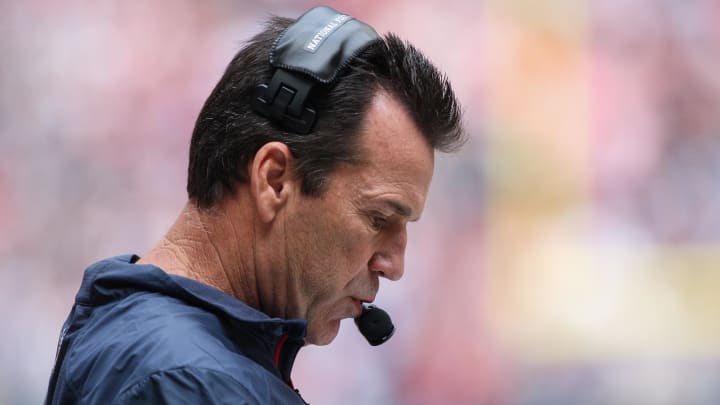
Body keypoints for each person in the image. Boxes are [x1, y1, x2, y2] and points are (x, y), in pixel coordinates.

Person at [45, 6, 464, 404]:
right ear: (274, 179)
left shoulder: (174, 355)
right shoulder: (188, 382)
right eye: (378, 218)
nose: (394, 265)